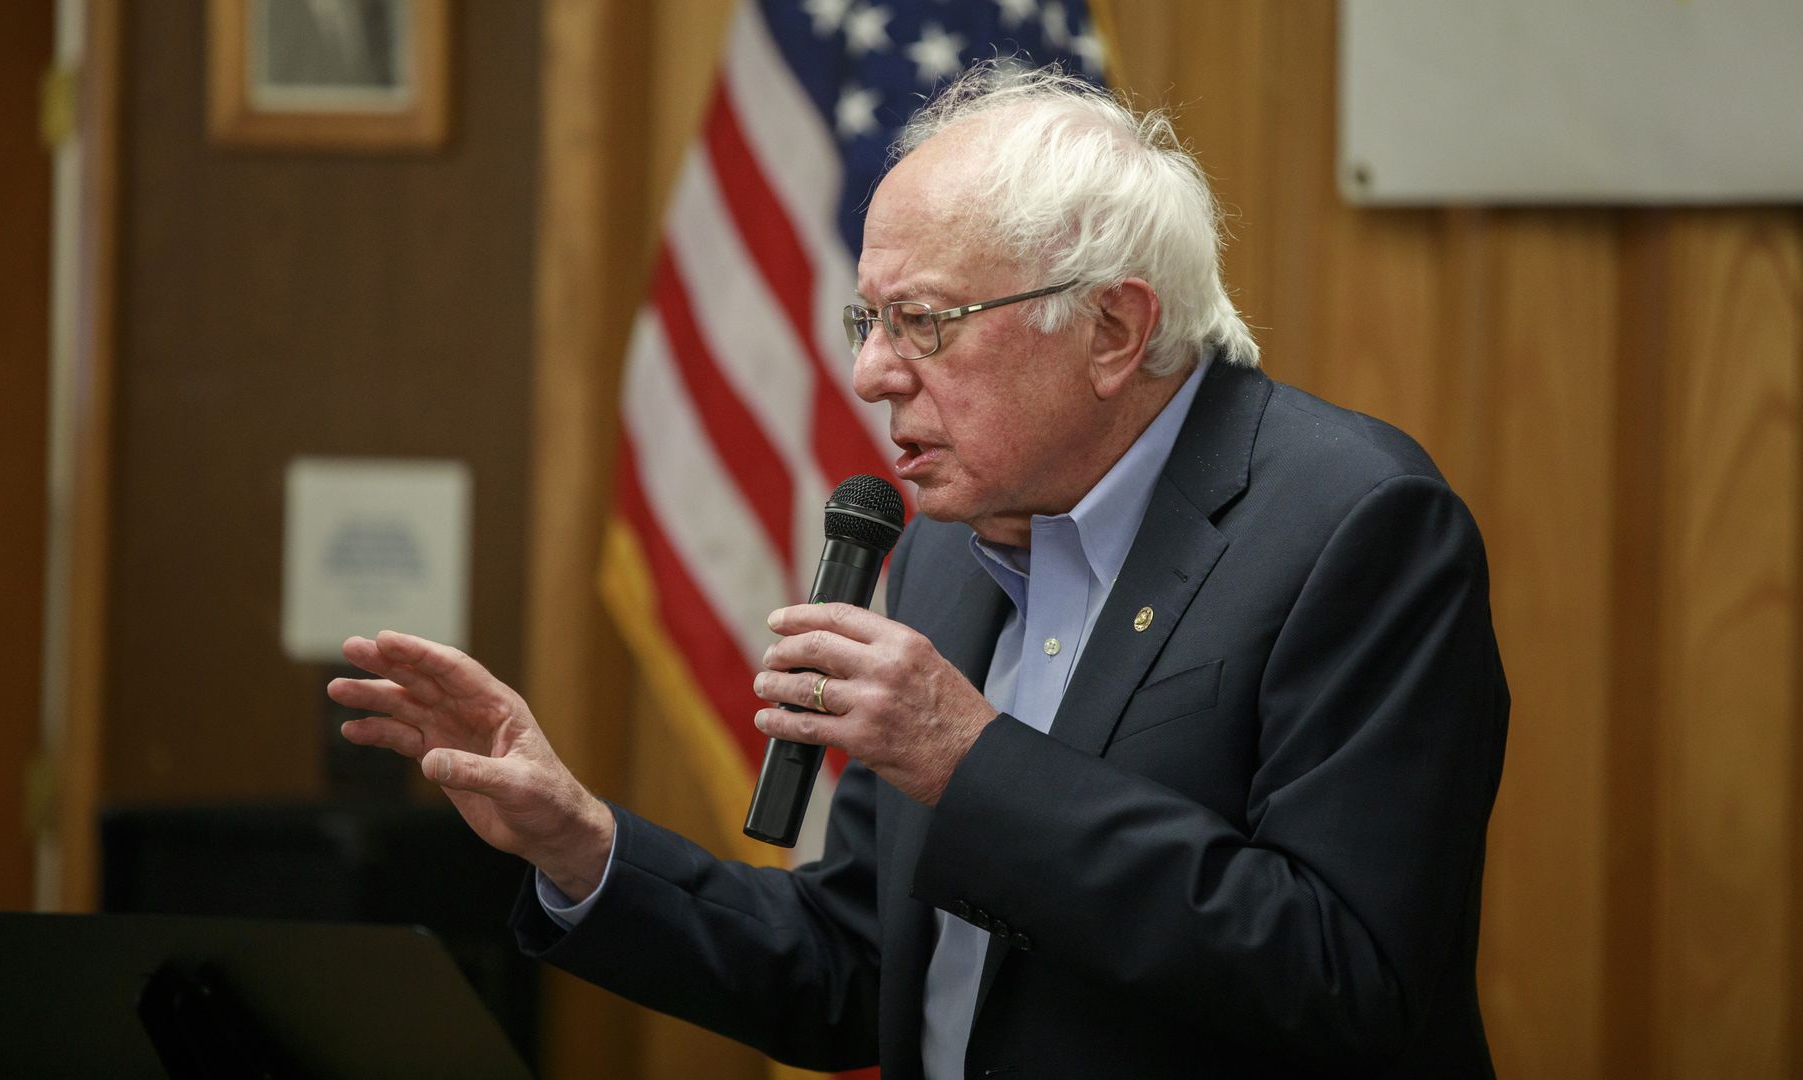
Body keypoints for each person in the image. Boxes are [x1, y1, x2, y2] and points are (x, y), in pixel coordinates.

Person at [329, 65, 1508, 1079]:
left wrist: (969, 758)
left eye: (925, 323)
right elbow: (859, 965)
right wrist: (581, 846)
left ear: (1113, 330)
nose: (872, 375)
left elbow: (1350, 982)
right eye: (866, 320)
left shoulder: (1354, 527)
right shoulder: (946, 539)